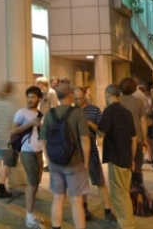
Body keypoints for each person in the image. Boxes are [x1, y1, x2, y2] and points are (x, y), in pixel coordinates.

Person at [40, 84, 91, 229]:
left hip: (55, 162)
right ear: (70, 95)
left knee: (58, 198)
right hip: (75, 162)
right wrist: (86, 160)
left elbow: (43, 140)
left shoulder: (50, 114)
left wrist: (48, 160)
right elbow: (84, 139)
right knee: (76, 201)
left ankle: (56, 227)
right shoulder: (78, 113)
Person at [97, 84, 137, 229]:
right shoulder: (127, 112)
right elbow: (134, 138)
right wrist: (132, 159)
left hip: (116, 157)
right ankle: (128, 222)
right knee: (124, 192)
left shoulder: (109, 111)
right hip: (127, 158)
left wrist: (91, 124)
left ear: (108, 94)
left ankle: (126, 224)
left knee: (119, 195)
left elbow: (101, 133)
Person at [74, 86, 114, 223]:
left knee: (99, 180)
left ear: (85, 95)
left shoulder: (94, 110)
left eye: (80, 97)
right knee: (81, 182)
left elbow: (101, 130)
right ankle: (84, 208)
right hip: (76, 152)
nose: (78, 101)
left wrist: (89, 123)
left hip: (91, 150)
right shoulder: (72, 111)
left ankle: (108, 209)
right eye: (75, 98)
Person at [13, 86, 46, 227]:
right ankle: (29, 218)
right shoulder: (21, 112)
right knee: (32, 185)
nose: (30, 99)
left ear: (39, 98)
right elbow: (13, 130)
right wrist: (30, 124)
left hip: (39, 152)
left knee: (36, 184)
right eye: (28, 96)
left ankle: (31, 214)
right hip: (27, 151)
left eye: (33, 97)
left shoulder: (41, 114)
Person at [119, 77, 147, 183]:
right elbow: (143, 121)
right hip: (137, 137)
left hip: (120, 139)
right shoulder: (139, 102)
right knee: (137, 166)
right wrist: (144, 138)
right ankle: (138, 192)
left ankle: (125, 190)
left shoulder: (117, 101)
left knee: (121, 168)